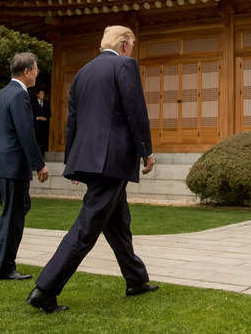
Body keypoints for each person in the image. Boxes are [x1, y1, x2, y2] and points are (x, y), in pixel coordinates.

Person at [27, 26, 157, 314]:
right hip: (113, 160)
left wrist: (72, 162)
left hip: (90, 159)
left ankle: (136, 279)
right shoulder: (125, 65)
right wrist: (146, 150)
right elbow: (135, 110)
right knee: (86, 229)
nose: (132, 50)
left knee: (119, 223)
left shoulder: (83, 73)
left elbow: (72, 120)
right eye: (132, 44)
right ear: (124, 45)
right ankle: (45, 289)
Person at [0, 52, 49, 280]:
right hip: (13, 164)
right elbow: (26, 133)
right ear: (27, 71)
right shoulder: (20, 96)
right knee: (15, 215)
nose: (37, 73)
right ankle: (5, 267)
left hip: (2, 163)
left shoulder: (2, 95)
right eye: (35, 69)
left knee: (19, 207)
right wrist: (39, 164)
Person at [31, 89, 51, 155]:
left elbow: (49, 114)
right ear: (38, 95)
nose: (43, 95)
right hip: (36, 127)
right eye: (41, 94)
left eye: (43, 94)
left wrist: (46, 118)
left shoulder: (47, 103)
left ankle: (42, 156)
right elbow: (31, 114)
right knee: (36, 142)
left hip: (44, 127)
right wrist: (39, 117)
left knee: (43, 143)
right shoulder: (33, 103)